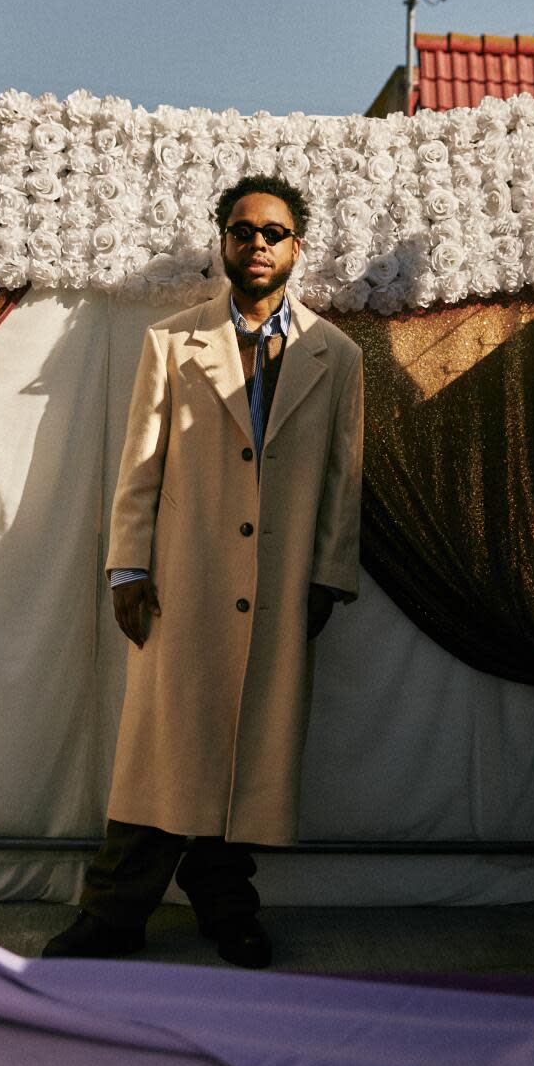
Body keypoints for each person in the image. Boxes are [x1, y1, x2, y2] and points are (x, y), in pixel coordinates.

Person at [43, 175, 364, 968]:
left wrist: (325, 576)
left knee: (247, 750)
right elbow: (139, 465)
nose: (258, 244)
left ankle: (226, 904)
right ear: (223, 241)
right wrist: (127, 569)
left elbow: (342, 478)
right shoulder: (172, 341)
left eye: (274, 232)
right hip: (182, 580)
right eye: (243, 230)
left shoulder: (337, 354)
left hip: (281, 583)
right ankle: (114, 912)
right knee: (162, 749)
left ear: (298, 247)